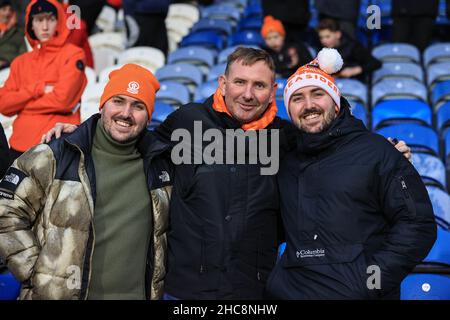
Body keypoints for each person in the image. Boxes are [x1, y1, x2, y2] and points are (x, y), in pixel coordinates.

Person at [41, 47, 412, 300]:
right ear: (222, 83)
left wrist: (385, 147)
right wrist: (80, 131)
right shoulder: (187, 121)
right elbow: (131, 135)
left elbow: (336, 145)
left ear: (273, 92)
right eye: (239, 82)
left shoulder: (286, 138)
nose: (248, 94)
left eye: (259, 85)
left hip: (255, 289)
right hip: (183, 289)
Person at [265, 49, 437, 300]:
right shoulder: (284, 159)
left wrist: (369, 283)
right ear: (289, 110)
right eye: (297, 98)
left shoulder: (377, 151)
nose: (309, 105)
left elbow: (418, 226)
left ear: (336, 102)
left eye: (318, 94)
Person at [0, 63, 172, 300]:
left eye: (138, 105)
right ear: (103, 105)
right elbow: (5, 211)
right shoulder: (56, 154)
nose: (126, 113)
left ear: (148, 115)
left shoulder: (161, 164)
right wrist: (37, 273)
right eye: (118, 101)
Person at [0, 0, 87, 162]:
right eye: (39, 20)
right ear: (31, 24)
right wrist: (38, 89)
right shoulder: (20, 62)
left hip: (56, 145)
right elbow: (4, 104)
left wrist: (22, 105)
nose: (45, 26)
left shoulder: (74, 55)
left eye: (50, 19)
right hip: (20, 146)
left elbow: (63, 100)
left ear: (59, 22)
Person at [317, 18, 381, 81]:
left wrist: (355, 70)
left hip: (353, 84)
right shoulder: (322, 49)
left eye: (327, 37)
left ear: (338, 34)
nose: (323, 41)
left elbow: (375, 63)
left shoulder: (353, 46)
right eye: (321, 37)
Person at [0, 0, 26, 70]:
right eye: (4, 9)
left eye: (10, 10)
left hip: (7, 69)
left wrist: (6, 62)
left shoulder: (18, 33)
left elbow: (23, 56)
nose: (7, 13)